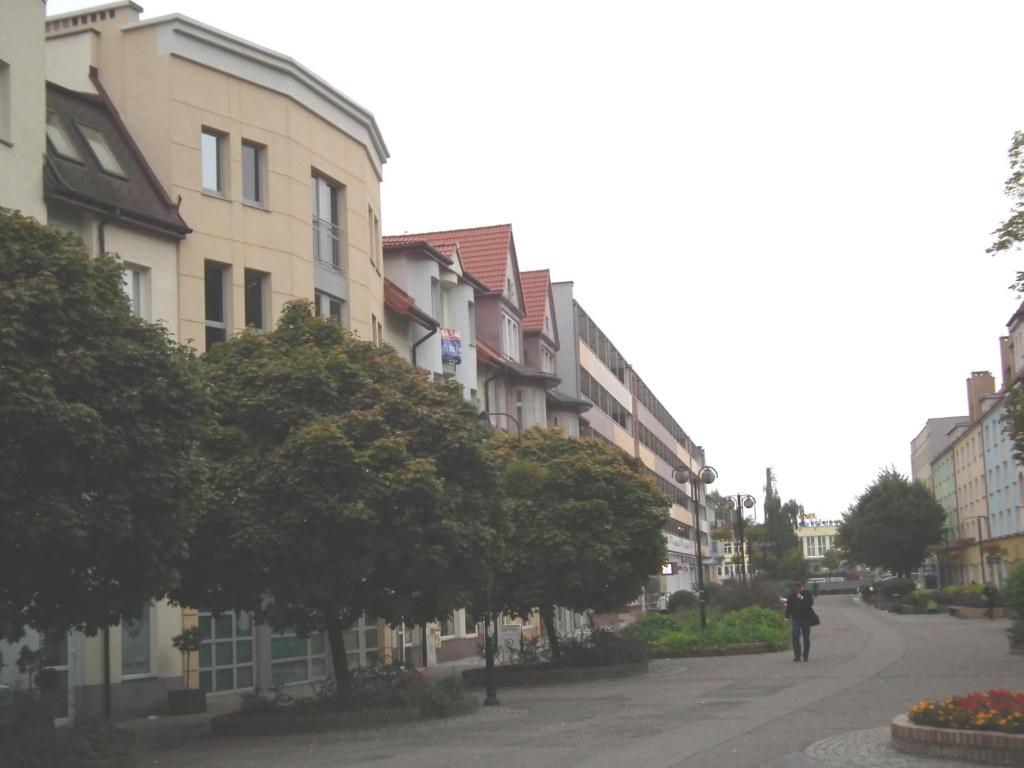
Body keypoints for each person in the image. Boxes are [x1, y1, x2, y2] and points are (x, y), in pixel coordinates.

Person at [785, 581, 815, 662]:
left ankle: (805, 655)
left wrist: (802, 598)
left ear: (801, 587)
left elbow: (810, 604)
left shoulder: (806, 594)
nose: (797, 589)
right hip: (796, 619)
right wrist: (786, 617)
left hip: (805, 619)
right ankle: (797, 656)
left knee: (806, 638)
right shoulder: (791, 596)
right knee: (795, 636)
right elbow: (789, 608)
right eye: (795, 587)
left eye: (798, 587)